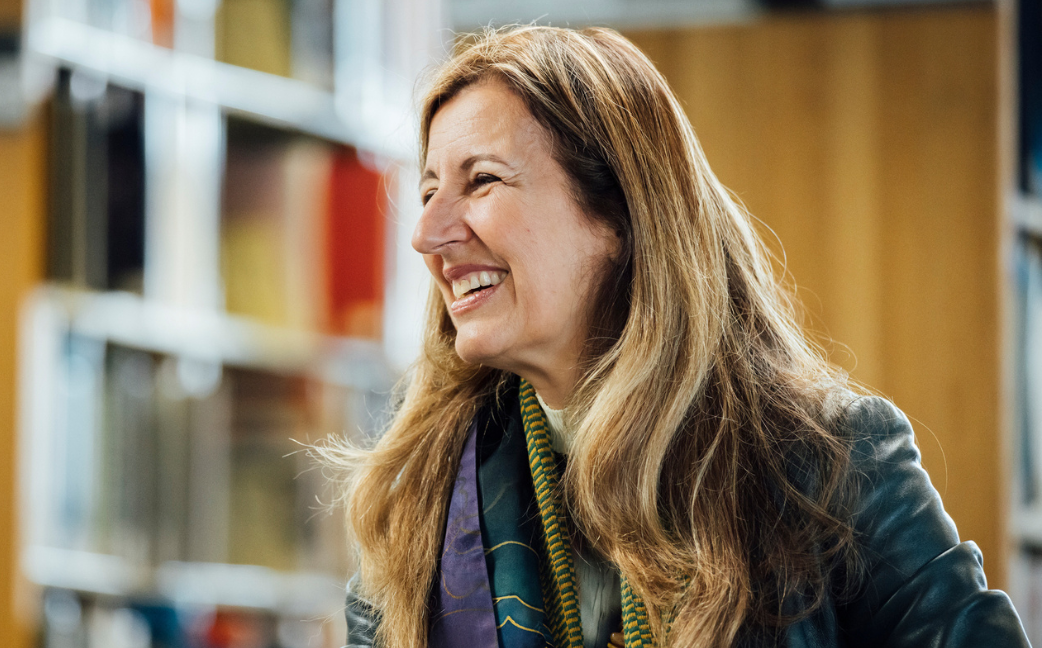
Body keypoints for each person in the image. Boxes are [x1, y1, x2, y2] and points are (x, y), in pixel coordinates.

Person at [331, 25, 1031, 648]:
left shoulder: (831, 462)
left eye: (480, 181)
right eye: (427, 192)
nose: (427, 234)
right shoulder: (416, 502)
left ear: (620, 217)